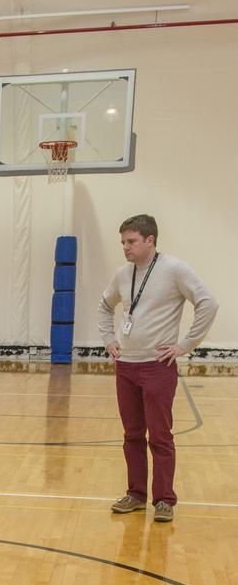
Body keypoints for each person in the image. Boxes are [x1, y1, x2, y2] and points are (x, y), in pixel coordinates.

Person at [98, 214, 218, 522]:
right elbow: (105, 305)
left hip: (157, 367)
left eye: (131, 241)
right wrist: (109, 338)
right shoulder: (123, 275)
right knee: (132, 434)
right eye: (123, 242)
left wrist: (185, 345)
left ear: (150, 240)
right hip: (125, 366)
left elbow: (207, 303)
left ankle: (164, 499)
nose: (125, 247)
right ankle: (136, 495)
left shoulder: (175, 269)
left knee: (160, 436)